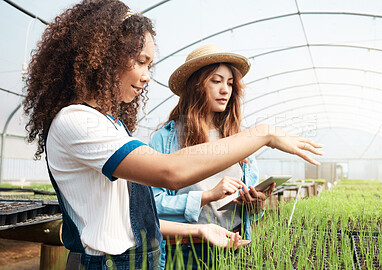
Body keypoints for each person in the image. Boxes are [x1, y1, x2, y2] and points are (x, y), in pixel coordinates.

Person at [23, 0, 323, 269]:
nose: (146, 75)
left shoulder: (109, 124)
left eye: (149, 64)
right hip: (109, 263)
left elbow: (136, 215)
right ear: (102, 56)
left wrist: (201, 229)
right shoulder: (77, 122)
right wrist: (263, 134)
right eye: (140, 61)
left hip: (142, 256)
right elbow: (170, 171)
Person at [149, 45, 276, 269]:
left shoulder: (239, 140)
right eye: (216, 81)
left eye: (229, 83)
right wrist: (207, 196)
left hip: (233, 246)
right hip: (186, 249)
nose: (225, 90)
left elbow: (249, 206)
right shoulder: (165, 139)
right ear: (196, 86)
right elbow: (152, 205)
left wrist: (255, 203)